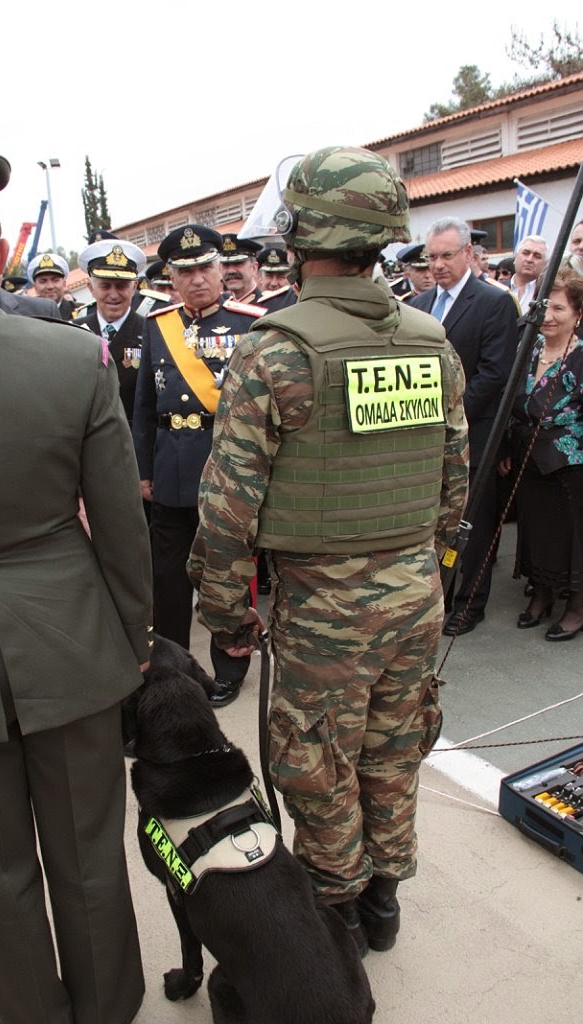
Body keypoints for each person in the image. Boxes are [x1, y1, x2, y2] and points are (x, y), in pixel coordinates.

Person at [188, 146, 469, 954]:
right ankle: (384, 900)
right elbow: (454, 475)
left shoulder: (274, 349)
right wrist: (423, 557)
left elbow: (227, 508)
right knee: (396, 744)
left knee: (315, 759)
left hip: (322, 603)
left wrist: (222, 612)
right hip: (415, 590)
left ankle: (337, 913)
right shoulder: (430, 339)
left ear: (301, 233)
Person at [0, 147, 152, 1024]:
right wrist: (133, 642)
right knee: (88, 854)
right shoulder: (73, 358)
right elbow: (122, 525)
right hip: (73, 645)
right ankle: (107, 1008)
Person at [132, 224, 265, 707]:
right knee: (166, 580)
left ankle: (231, 664)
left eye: (205, 268)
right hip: (169, 470)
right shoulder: (157, 324)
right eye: (185, 272)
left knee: (228, 574)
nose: (197, 280)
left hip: (226, 467)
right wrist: (143, 471)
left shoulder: (251, 322)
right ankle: (173, 666)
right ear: (171, 276)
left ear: (221, 269)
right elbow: (144, 405)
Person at [411, 216, 519, 635]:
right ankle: (439, 598)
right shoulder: (418, 307)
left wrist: (446, 421)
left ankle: (471, 603)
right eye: (432, 256)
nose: (438, 264)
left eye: (447, 255)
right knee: (436, 522)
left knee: (473, 522)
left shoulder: (493, 302)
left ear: (469, 255)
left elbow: (494, 375)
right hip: (426, 438)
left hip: (474, 434)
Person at [499, 270, 583, 640]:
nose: (548, 315)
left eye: (559, 308)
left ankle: (577, 607)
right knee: (535, 532)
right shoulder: (528, 346)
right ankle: (542, 595)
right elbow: (509, 402)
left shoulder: (581, 357)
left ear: (578, 314)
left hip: (570, 467)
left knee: (571, 538)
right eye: (544, 305)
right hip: (527, 459)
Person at [75, 238, 147, 426]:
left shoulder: (151, 332)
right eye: (105, 286)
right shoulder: (73, 331)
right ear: (90, 288)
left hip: (133, 442)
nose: (113, 295)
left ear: (134, 287)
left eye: (121, 285)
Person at [28, 251, 80, 320]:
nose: (50, 286)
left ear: (64, 284)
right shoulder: (26, 315)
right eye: (43, 281)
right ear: (35, 287)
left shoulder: (80, 311)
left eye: (55, 280)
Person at [219, 233, 263, 302]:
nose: (231, 271)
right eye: (226, 264)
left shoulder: (271, 307)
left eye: (238, 263)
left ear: (254, 268)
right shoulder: (223, 307)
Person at [256, 245, 298, 313]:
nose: (274, 283)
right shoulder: (250, 306)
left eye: (281, 277)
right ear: (260, 278)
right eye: (269, 276)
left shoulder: (297, 305)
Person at [510, 235, 548, 309]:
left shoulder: (548, 292)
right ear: (515, 257)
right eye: (525, 253)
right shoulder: (498, 287)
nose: (529, 259)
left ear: (545, 264)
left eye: (537, 256)